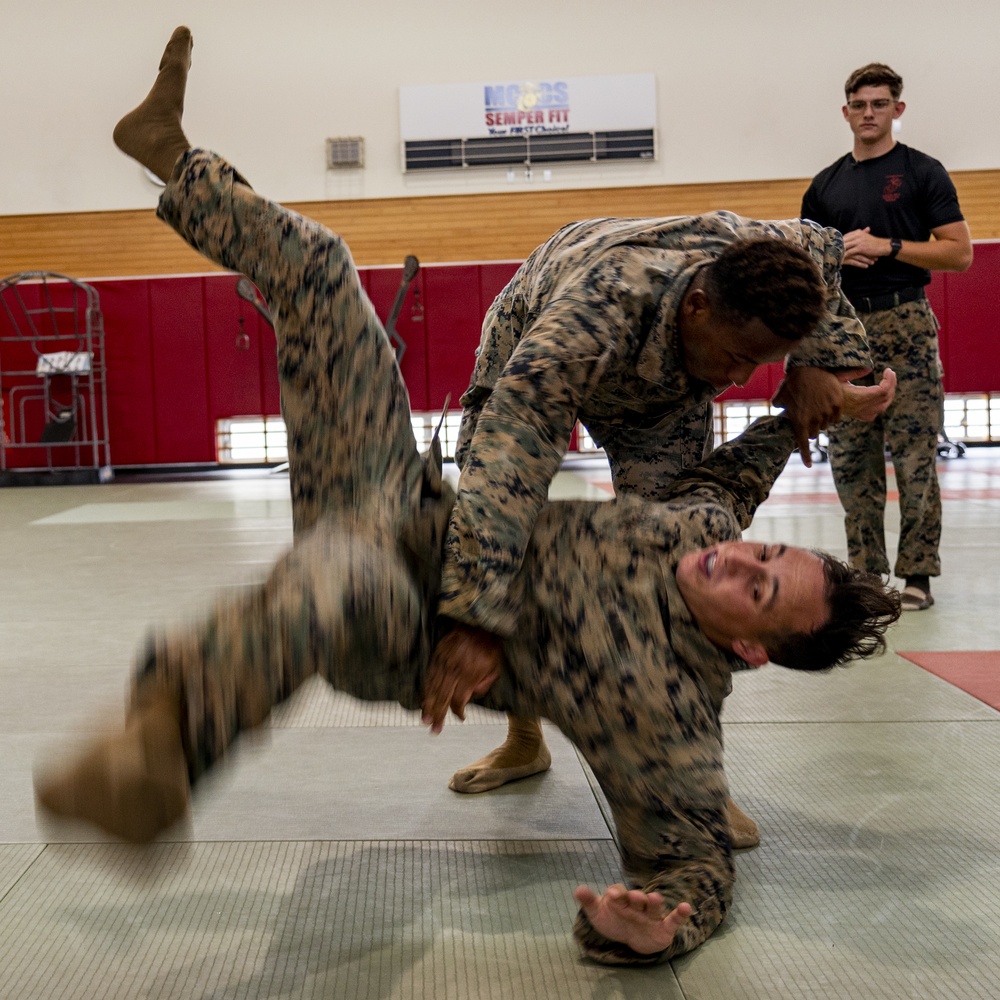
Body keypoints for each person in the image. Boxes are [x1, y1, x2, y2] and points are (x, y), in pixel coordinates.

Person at [35, 27, 901, 966]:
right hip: (410, 489)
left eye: (760, 586)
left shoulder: (661, 703)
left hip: (398, 617)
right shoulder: (608, 342)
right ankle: (168, 151)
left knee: (343, 580)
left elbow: (693, 868)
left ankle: (158, 753)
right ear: (700, 306)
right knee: (324, 274)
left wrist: (657, 920)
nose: (740, 552)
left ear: (746, 648)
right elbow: (520, 446)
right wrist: (484, 611)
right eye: (768, 550)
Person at [439, 133, 873, 820]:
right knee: (513, 540)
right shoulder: (582, 326)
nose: (736, 381)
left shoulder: (769, 251)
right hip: (535, 334)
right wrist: (475, 613)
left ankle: (697, 772)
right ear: (698, 307)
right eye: (734, 357)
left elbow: (824, 250)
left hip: (663, 389)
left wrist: (815, 363)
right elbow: (503, 476)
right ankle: (525, 737)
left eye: (753, 366)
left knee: (687, 565)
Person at [801, 62, 973, 612]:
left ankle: (919, 575)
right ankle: (866, 575)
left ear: (897, 109)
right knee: (852, 458)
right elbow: (805, 268)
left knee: (917, 455)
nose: (868, 113)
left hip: (907, 323)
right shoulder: (826, 185)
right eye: (859, 104)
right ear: (845, 111)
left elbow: (960, 253)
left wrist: (889, 247)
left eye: (879, 104)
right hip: (846, 330)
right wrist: (833, 256)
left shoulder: (923, 172)